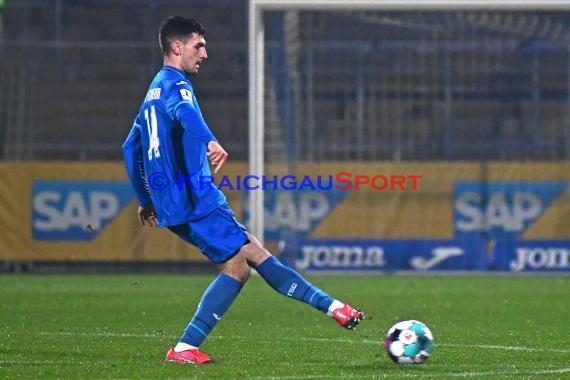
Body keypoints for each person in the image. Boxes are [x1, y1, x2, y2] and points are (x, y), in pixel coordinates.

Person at [122, 15, 365, 365]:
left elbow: (129, 148)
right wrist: (210, 140)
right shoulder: (177, 86)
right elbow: (185, 112)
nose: (204, 53)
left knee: (252, 253)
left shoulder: (152, 91)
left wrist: (145, 199)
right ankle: (185, 347)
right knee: (240, 267)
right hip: (197, 199)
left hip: (172, 203)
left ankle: (335, 308)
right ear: (177, 47)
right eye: (198, 46)